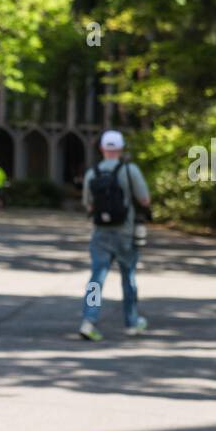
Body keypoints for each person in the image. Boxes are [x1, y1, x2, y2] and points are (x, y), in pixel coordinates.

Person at [79, 130, 151, 341]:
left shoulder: (92, 173)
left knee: (96, 279)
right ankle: (131, 321)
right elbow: (145, 199)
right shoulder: (130, 170)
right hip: (125, 234)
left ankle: (88, 321)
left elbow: (88, 204)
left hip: (100, 233)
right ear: (120, 149)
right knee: (128, 278)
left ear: (102, 149)